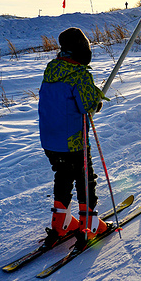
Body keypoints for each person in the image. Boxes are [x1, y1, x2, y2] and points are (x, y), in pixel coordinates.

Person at [38, 27, 108, 247]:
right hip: (72, 141)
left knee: (63, 174)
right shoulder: (80, 75)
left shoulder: (51, 70)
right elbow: (87, 106)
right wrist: (97, 100)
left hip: (50, 140)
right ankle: (89, 223)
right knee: (84, 176)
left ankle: (61, 221)